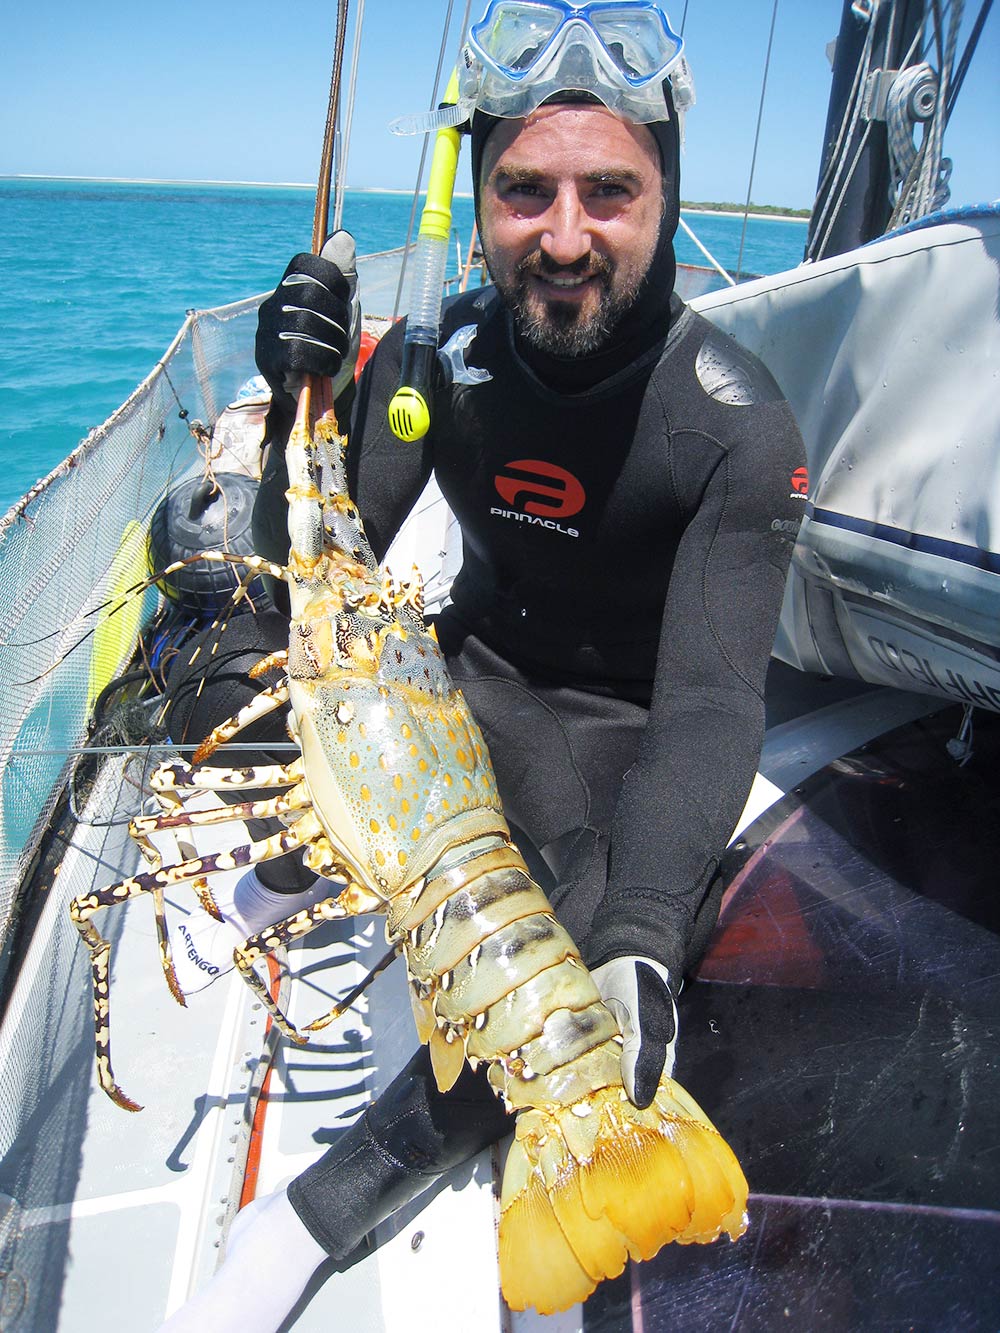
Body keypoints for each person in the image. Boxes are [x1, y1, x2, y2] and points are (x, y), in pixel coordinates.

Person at [160, 3, 806, 1328]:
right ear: (487, 196)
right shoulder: (438, 360)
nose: (564, 236)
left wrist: (638, 944)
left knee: (587, 935)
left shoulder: (734, 418)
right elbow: (319, 571)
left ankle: (308, 1221)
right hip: (458, 684)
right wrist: (302, 406)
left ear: (665, 193)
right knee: (251, 689)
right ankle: (283, 874)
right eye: (525, 189)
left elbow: (707, 703)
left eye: (609, 191)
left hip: (622, 728)